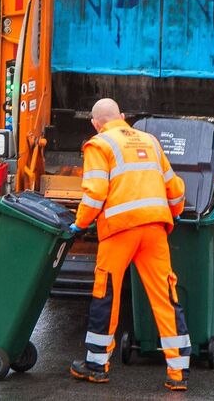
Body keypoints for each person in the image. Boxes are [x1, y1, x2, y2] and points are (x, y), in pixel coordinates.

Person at [68, 98, 191, 391]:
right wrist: (169, 214)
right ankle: (178, 373)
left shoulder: (99, 145)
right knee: (165, 296)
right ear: (123, 117)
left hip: (119, 232)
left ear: (95, 123)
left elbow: (96, 192)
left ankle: (97, 366)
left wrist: (79, 224)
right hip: (154, 229)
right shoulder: (149, 141)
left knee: (106, 293)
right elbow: (175, 189)